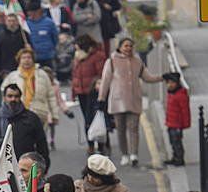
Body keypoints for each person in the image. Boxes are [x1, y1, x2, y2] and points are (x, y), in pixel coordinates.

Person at [96, 37, 161, 167]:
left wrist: (162, 77)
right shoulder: (112, 61)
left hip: (134, 100)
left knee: (134, 128)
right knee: (120, 130)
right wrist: (101, 98)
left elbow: (147, 77)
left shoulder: (137, 61)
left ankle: (134, 155)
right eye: (126, 46)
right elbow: (105, 81)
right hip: (117, 101)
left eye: (130, 46)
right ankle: (125, 154)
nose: (128, 48)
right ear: (120, 47)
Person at [0, 83, 50, 170]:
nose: (13, 99)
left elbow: (42, 144)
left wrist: (44, 166)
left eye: (16, 96)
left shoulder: (31, 118)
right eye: (10, 96)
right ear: (4, 98)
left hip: (25, 167)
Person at [71, 35, 108, 154]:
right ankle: (90, 144)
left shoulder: (98, 56)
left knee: (98, 117)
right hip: (81, 92)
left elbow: (101, 74)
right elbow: (75, 74)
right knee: (87, 119)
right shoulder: (78, 56)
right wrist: (74, 91)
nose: (76, 49)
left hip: (93, 92)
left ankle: (102, 144)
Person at [163, 71, 191, 166]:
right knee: (172, 142)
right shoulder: (171, 93)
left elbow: (185, 111)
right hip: (171, 123)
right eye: (168, 82)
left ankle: (180, 159)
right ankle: (175, 157)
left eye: (172, 82)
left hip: (177, 124)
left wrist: (186, 124)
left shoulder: (180, 95)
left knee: (177, 142)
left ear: (177, 83)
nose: (170, 85)